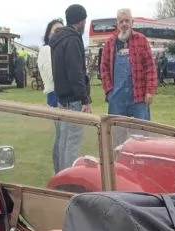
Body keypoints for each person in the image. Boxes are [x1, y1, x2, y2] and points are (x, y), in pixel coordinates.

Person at [50, 4, 92, 172]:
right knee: (72, 143)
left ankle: (61, 176)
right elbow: (76, 72)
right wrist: (85, 98)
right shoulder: (73, 39)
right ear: (80, 21)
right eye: (84, 21)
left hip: (62, 99)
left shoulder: (58, 39)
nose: (85, 25)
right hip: (74, 100)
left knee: (63, 142)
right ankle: (68, 181)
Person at [99, 7, 158, 121]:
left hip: (139, 98)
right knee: (117, 134)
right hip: (116, 100)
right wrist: (109, 92)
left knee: (141, 133)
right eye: (121, 21)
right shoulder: (110, 43)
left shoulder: (141, 40)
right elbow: (104, 69)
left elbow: (150, 67)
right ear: (117, 24)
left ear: (132, 22)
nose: (124, 24)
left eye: (127, 20)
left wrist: (150, 91)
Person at [39, 18, 63, 107]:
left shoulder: (58, 50)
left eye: (62, 30)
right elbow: (52, 76)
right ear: (48, 34)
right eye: (56, 30)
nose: (60, 33)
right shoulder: (47, 50)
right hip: (55, 95)